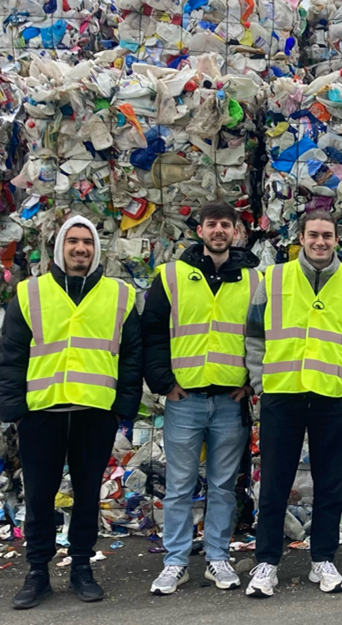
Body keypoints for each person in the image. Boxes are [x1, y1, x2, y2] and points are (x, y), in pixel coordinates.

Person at [0, 215, 142, 609]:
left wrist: (123, 408)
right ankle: (38, 571)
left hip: (94, 412)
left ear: (96, 251)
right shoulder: (30, 294)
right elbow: (11, 356)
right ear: (60, 246)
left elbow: (131, 357)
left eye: (88, 243)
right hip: (42, 412)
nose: (81, 249)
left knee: (87, 495)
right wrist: (15, 409)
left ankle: (82, 566)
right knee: (40, 496)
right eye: (74, 242)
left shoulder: (120, 295)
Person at [243, 210, 342, 597]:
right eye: (313, 235)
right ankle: (267, 562)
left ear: (338, 240)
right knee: (274, 485)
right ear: (300, 237)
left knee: (330, 485)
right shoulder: (275, 278)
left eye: (327, 235)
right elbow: (254, 333)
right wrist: (259, 381)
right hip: (282, 394)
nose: (320, 242)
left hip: (334, 397)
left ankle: (323, 559)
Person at [142, 202, 260, 595]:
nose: (219, 231)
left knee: (224, 485)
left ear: (236, 232)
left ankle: (217, 557)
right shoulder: (173, 276)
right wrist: (163, 382)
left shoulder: (253, 281)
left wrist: (250, 382)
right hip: (185, 399)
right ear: (200, 231)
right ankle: (175, 562)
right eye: (212, 225)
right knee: (179, 485)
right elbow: (154, 331)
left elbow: (263, 335)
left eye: (226, 225)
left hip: (230, 400)